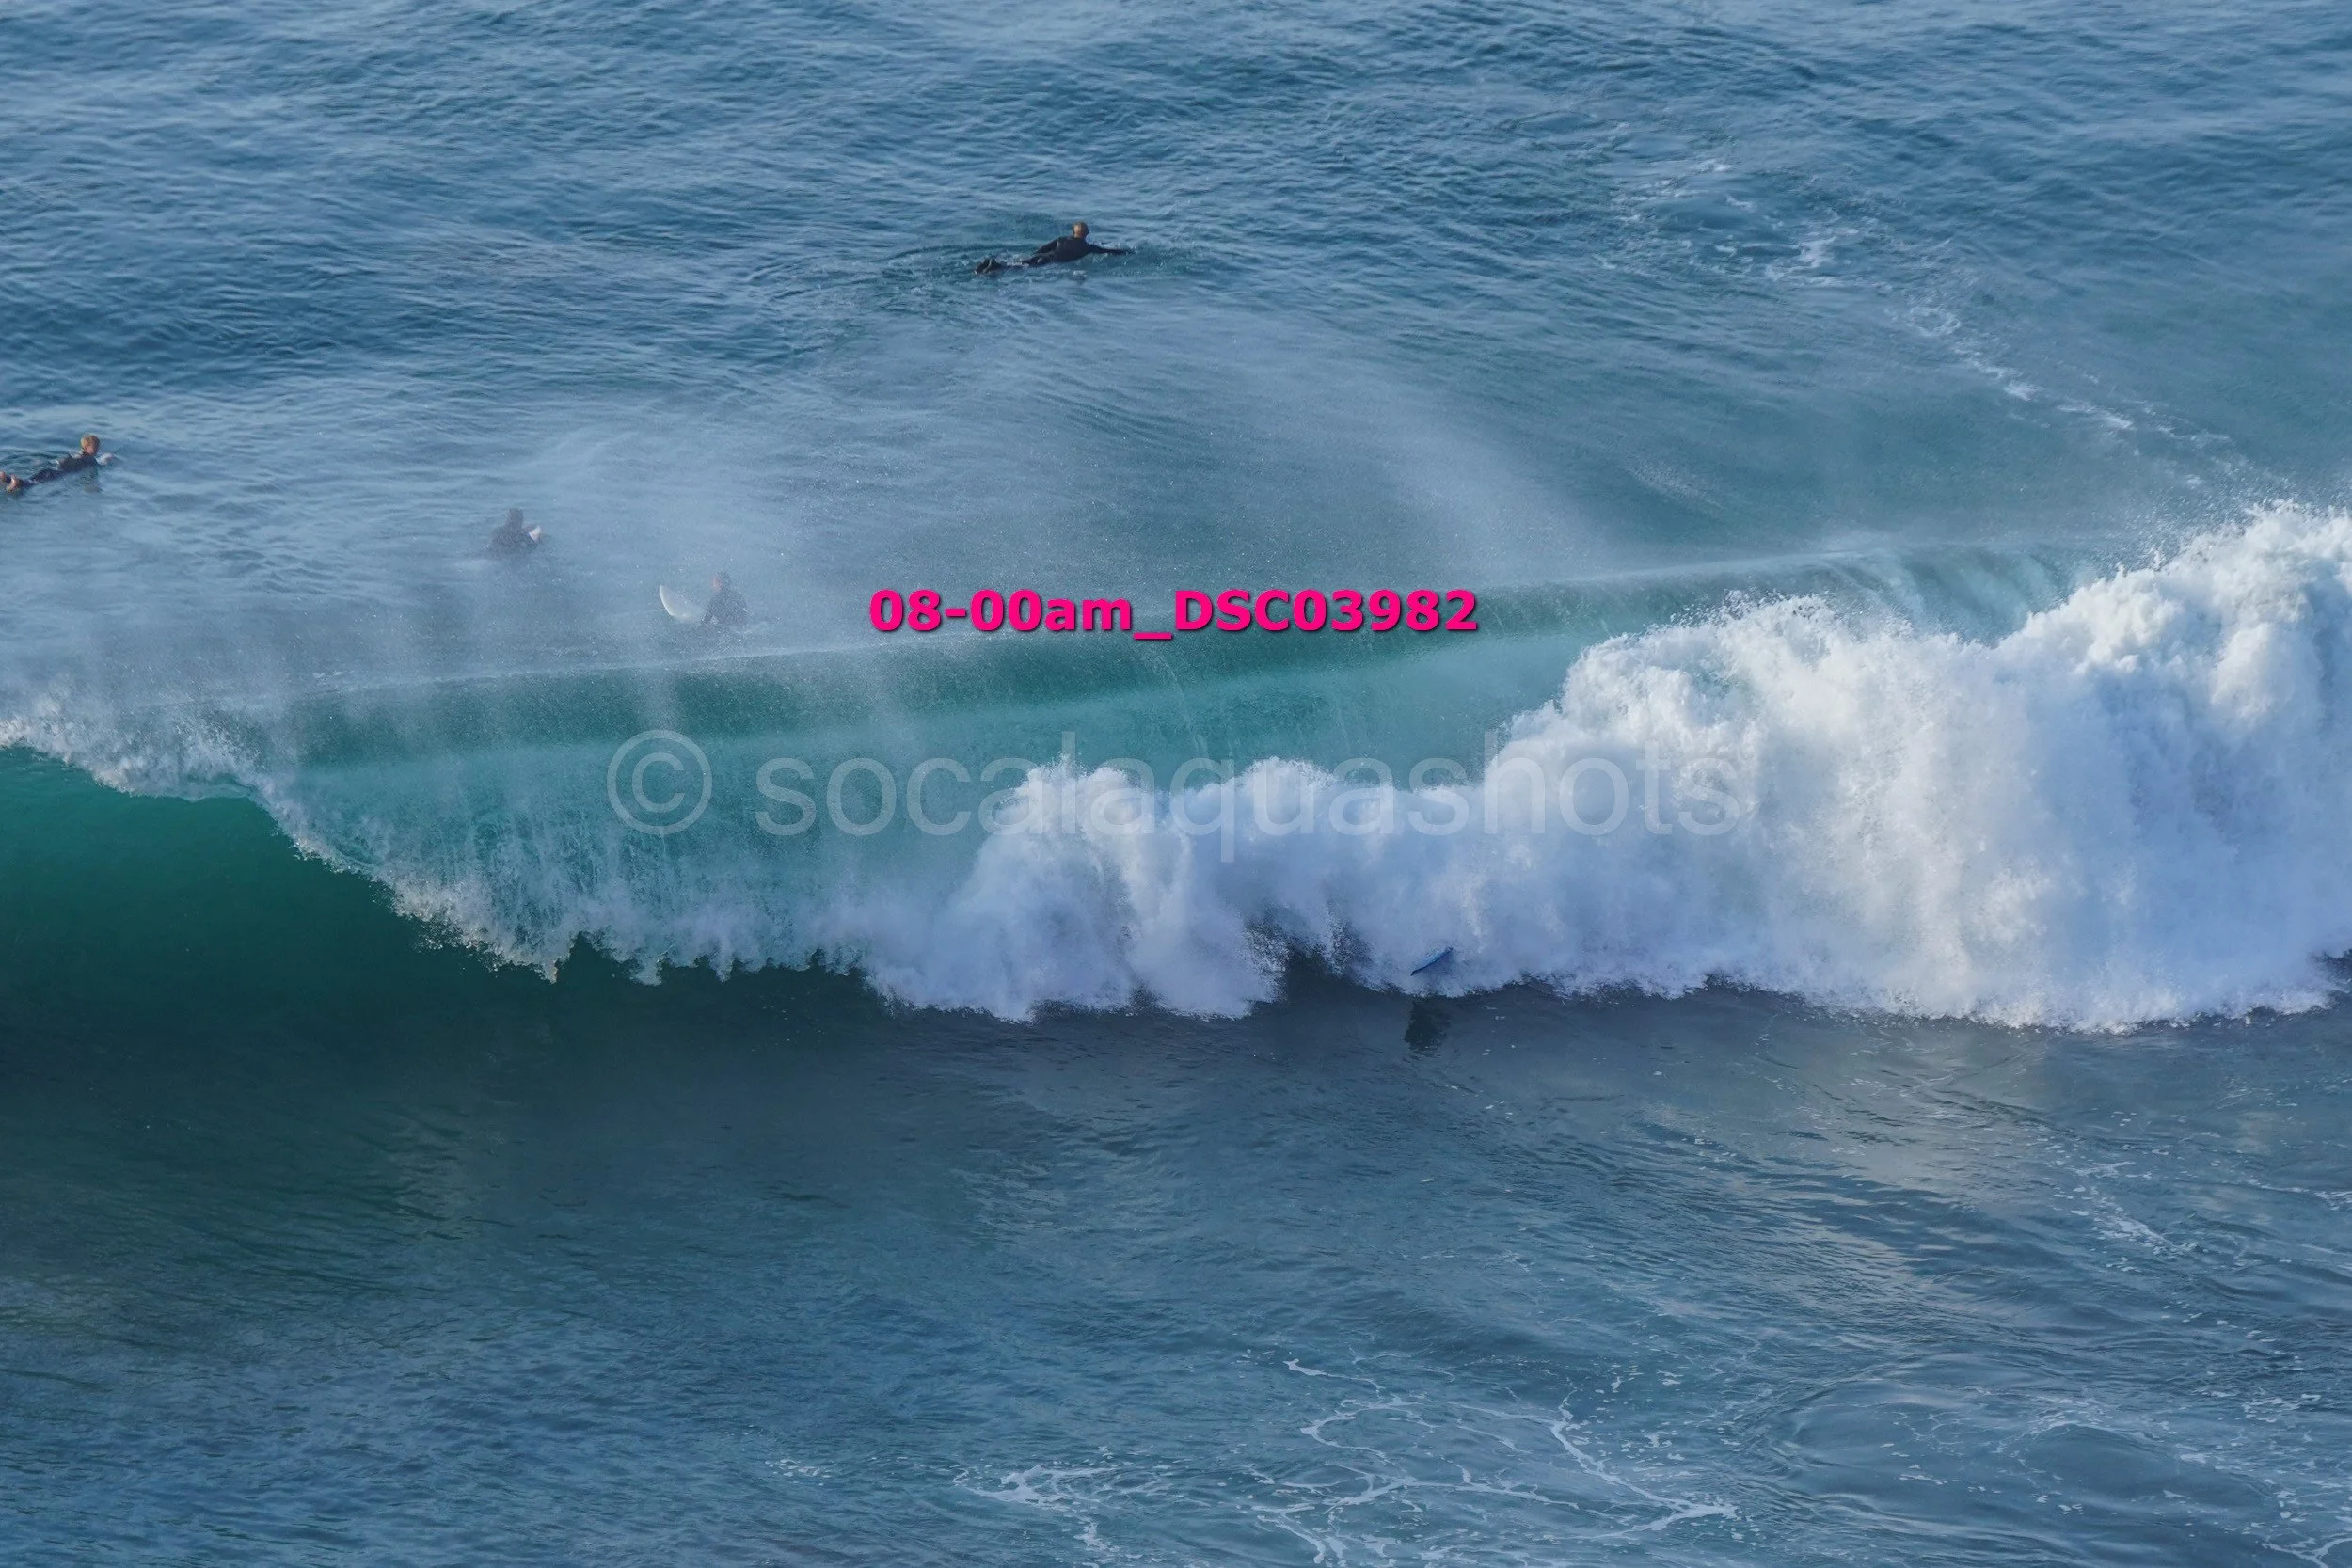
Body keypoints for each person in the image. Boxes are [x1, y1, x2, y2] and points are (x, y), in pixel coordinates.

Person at [976, 222, 1131, 274]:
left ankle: (994, 264)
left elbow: (1042, 248)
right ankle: (995, 266)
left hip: (1043, 256)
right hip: (1048, 263)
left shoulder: (1062, 239)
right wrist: (1126, 252)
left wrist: (1033, 255)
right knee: (1018, 268)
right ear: (1086, 234)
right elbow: (1107, 251)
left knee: (1023, 263)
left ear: (1073, 232)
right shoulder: (1087, 248)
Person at [29, 435, 103, 483]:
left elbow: (59, 461)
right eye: (95, 447)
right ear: (86, 447)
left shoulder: (73, 455)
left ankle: (20, 482)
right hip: (58, 475)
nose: (98, 449)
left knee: (30, 482)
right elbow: (98, 466)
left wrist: (46, 462)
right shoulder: (90, 459)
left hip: (49, 470)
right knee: (33, 483)